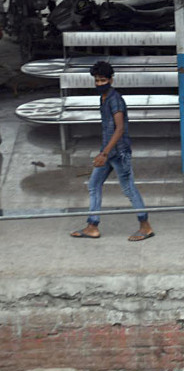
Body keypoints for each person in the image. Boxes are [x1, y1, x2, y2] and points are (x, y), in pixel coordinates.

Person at [69, 60, 154, 241]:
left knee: (128, 189)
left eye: (102, 80)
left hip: (119, 153)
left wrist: (105, 153)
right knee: (94, 185)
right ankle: (92, 226)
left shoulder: (116, 100)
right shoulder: (103, 98)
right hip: (107, 151)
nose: (99, 84)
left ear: (111, 80)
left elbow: (119, 128)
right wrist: (104, 152)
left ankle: (145, 226)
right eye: (97, 80)